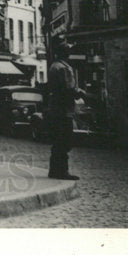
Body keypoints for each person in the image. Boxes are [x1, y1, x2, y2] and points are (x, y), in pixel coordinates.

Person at [46, 39, 85, 180]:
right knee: (64, 141)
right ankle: (62, 171)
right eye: (68, 50)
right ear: (65, 53)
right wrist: (80, 93)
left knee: (57, 142)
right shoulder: (64, 68)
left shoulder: (54, 66)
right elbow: (68, 89)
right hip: (63, 109)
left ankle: (54, 170)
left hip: (55, 108)